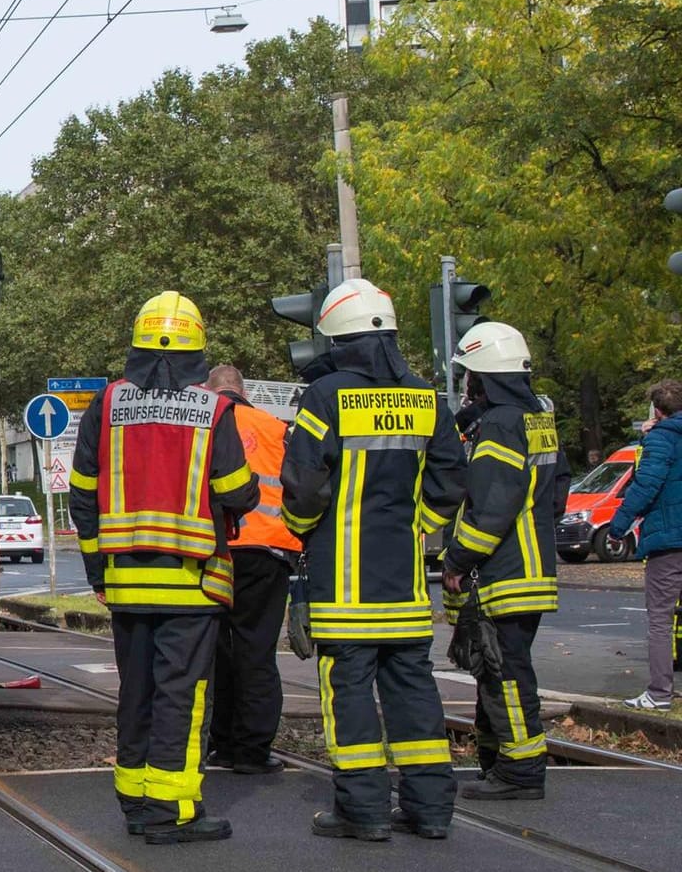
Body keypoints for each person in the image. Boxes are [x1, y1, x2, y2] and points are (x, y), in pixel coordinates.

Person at [68, 292, 258, 846]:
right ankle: (169, 811)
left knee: (139, 691)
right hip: (191, 583)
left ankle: (133, 799)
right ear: (198, 348)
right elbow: (235, 491)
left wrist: (98, 571)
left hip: (126, 582)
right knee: (183, 694)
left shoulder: (106, 405)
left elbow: (84, 495)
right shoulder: (213, 410)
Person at [281, 279, 467, 843]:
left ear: (337, 340)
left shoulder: (326, 396)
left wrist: (300, 534)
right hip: (406, 587)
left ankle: (362, 812)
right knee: (415, 693)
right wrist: (419, 532)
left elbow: (304, 486)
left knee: (351, 694)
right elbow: (451, 481)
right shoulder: (427, 398)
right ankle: (431, 809)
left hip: (342, 587)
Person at [441, 323, 568, 800]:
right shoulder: (537, 419)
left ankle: (520, 771)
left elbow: (491, 504)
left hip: (504, 572)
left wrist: (457, 558)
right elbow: (555, 495)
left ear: (485, 376)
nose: (468, 384)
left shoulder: (499, 425)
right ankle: (496, 761)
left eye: (471, 375)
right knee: (493, 667)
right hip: (532, 569)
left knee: (506, 674)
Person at [202, 364, 299, 776]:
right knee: (256, 652)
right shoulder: (275, 427)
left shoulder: (203, 426)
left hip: (216, 550)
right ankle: (252, 749)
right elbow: (301, 487)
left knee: (216, 651)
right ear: (243, 391)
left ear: (212, 392)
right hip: (269, 553)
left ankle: (220, 743)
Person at [607, 379, 682, 710]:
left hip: (668, 540)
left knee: (660, 620)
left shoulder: (661, 440)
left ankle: (659, 693)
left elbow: (646, 485)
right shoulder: (663, 437)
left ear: (657, 409)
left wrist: (618, 526)